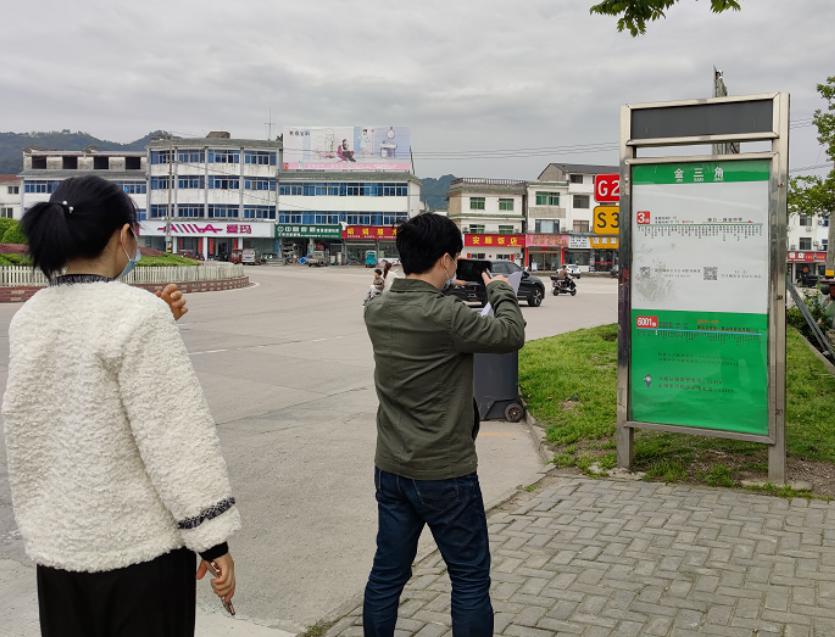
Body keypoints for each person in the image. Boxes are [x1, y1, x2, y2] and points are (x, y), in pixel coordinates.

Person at [3, 175, 241, 637]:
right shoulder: (137, 314)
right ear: (124, 234)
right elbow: (175, 437)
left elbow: (52, 412)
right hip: (139, 555)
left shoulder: (30, 314)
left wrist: (154, 320)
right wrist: (213, 541)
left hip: (60, 550)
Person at [362, 213, 525, 637]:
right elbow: (509, 334)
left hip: (392, 469)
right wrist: (502, 291)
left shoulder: (378, 310)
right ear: (447, 260)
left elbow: (388, 302)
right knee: (469, 579)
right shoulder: (448, 316)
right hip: (444, 473)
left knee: (386, 576)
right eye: (455, 258)